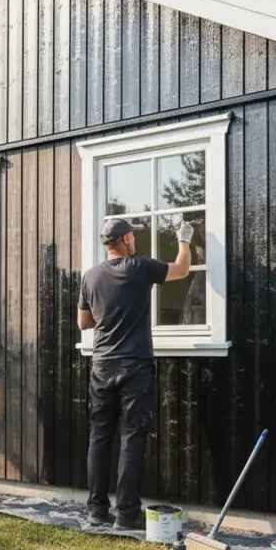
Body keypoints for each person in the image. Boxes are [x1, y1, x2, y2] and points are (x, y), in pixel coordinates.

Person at [77, 216, 194, 527]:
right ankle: (127, 514)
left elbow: (83, 323)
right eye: (133, 237)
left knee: (99, 436)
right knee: (132, 436)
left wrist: (108, 315)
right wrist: (184, 238)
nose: (135, 241)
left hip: (101, 364)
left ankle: (96, 511)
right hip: (134, 365)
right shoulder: (140, 268)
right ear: (125, 240)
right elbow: (181, 269)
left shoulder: (90, 277)